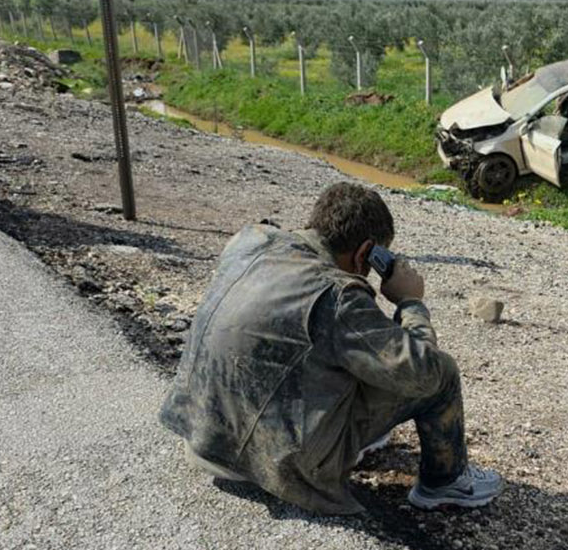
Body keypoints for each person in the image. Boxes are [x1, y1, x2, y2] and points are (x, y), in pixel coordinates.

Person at [160, 183, 503, 515]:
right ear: (365, 253)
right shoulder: (339, 296)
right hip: (277, 468)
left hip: (203, 438)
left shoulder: (249, 241)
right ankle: (446, 484)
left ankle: (356, 437)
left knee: (355, 352)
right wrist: (410, 302)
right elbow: (423, 373)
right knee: (441, 373)